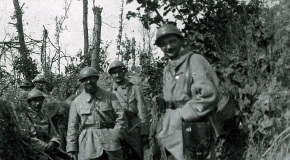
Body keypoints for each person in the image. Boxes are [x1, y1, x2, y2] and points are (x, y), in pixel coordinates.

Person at [154, 24, 224, 160]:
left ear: (181, 41)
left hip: (192, 126)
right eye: (163, 44)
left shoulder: (195, 60)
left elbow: (209, 95)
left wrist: (184, 114)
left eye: (172, 41)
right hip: (171, 128)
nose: (168, 47)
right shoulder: (167, 68)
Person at [66, 66, 128, 160]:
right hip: (87, 145)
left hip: (111, 143)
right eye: (85, 80)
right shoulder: (76, 102)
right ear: (82, 82)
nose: (88, 81)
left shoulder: (110, 96)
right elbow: (72, 128)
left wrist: (116, 135)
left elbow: (121, 118)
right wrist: (72, 149)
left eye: (91, 78)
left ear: (96, 78)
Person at [108, 60, 149, 160]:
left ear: (124, 72)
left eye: (120, 72)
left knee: (135, 156)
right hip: (117, 130)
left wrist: (144, 133)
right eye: (114, 73)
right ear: (111, 75)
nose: (117, 75)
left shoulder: (135, 89)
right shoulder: (108, 92)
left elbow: (142, 111)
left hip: (133, 129)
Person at [18, 88, 63, 160]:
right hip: (32, 153)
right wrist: (45, 147)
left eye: (40, 100)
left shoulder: (46, 117)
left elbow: (54, 134)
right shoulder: (24, 118)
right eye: (35, 100)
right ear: (29, 103)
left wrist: (53, 142)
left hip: (49, 151)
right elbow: (27, 139)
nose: (38, 103)